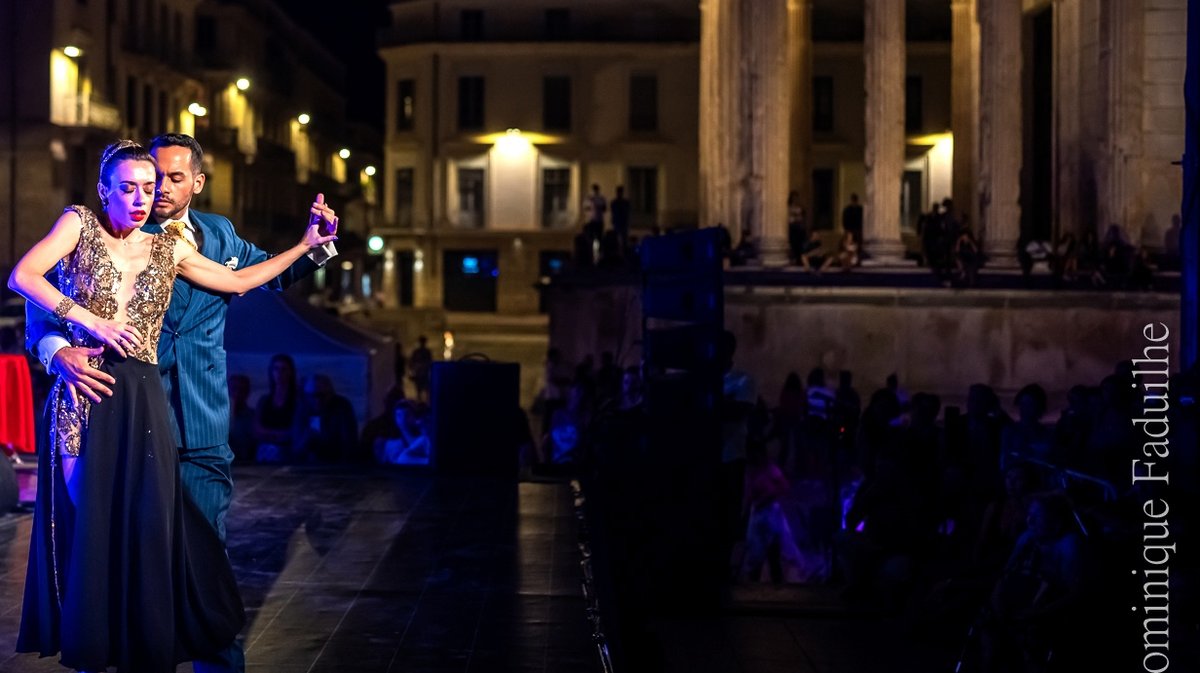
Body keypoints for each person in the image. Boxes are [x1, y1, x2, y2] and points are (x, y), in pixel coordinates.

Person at [8, 140, 338, 673]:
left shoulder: (196, 243)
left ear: (195, 183)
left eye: (161, 183)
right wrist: (74, 337)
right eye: (137, 184)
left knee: (177, 550)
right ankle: (98, 650)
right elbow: (29, 288)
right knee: (93, 534)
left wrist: (308, 245)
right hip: (92, 396)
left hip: (175, 413)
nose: (150, 193)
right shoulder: (78, 225)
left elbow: (247, 278)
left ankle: (176, 656)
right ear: (106, 188)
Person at [253, 353, 298, 463]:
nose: (279, 373)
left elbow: (299, 430)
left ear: (290, 372)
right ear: (271, 371)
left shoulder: (299, 400)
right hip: (265, 450)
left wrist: (273, 434)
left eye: (283, 369)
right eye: (276, 369)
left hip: (291, 451)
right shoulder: (264, 400)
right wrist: (281, 434)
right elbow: (257, 429)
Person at [408, 335, 433, 402]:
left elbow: (429, 362)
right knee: (420, 391)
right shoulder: (421, 352)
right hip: (421, 374)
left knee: (423, 391)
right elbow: (412, 362)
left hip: (423, 374)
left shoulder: (425, 352)